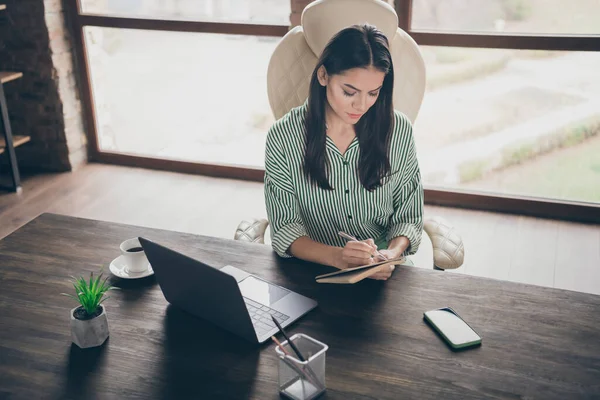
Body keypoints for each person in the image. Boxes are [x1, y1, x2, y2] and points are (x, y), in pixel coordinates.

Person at [264, 24, 423, 280]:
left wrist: (391, 253)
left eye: (373, 93)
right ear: (323, 76)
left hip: (386, 275)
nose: (362, 105)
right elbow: (285, 228)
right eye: (349, 92)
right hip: (314, 274)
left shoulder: (399, 130)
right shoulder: (283, 137)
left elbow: (409, 216)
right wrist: (339, 257)